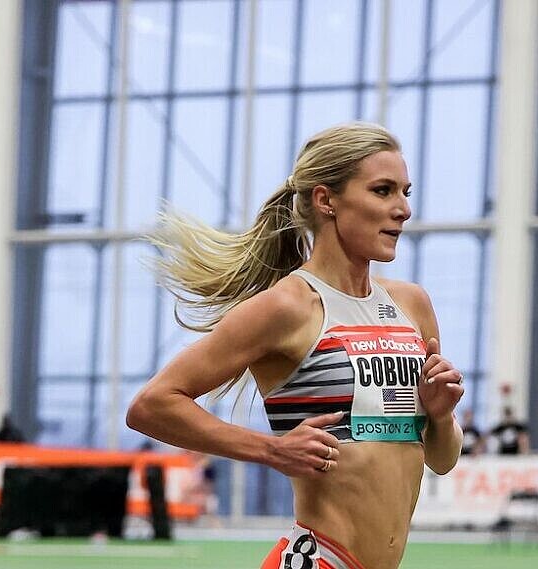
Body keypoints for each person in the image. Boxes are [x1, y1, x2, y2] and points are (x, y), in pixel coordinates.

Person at [127, 123, 465, 569]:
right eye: (382, 191)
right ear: (326, 201)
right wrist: (271, 450)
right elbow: (151, 405)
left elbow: (441, 460)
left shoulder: (412, 305)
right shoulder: (287, 307)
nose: (403, 209)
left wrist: (439, 415)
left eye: (405, 192)